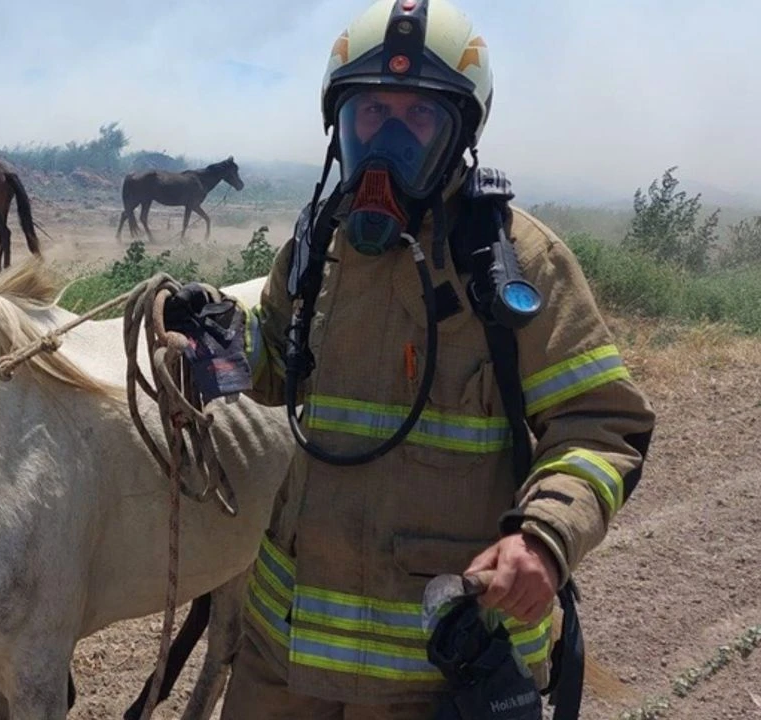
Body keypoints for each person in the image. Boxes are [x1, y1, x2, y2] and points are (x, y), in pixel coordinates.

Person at [162, 0, 656, 717]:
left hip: (441, 668)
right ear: (341, 126)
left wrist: (546, 539)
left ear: (460, 132)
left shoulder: (517, 264)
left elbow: (601, 426)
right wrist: (212, 337)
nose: (387, 139)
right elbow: (278, 369)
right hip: (283, 658)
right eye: (371, 116)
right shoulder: (314, 247)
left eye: (416, 119)